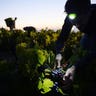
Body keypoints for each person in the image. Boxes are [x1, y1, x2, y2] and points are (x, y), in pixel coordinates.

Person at [55, 0, 96, 96]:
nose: (76, 24)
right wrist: (58, 53)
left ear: (89, 12)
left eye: (80, 21)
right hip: (88, 34)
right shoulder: (71, 15)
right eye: (73, 19)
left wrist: (75, 67)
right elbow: (62, 38)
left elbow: (92, 53)